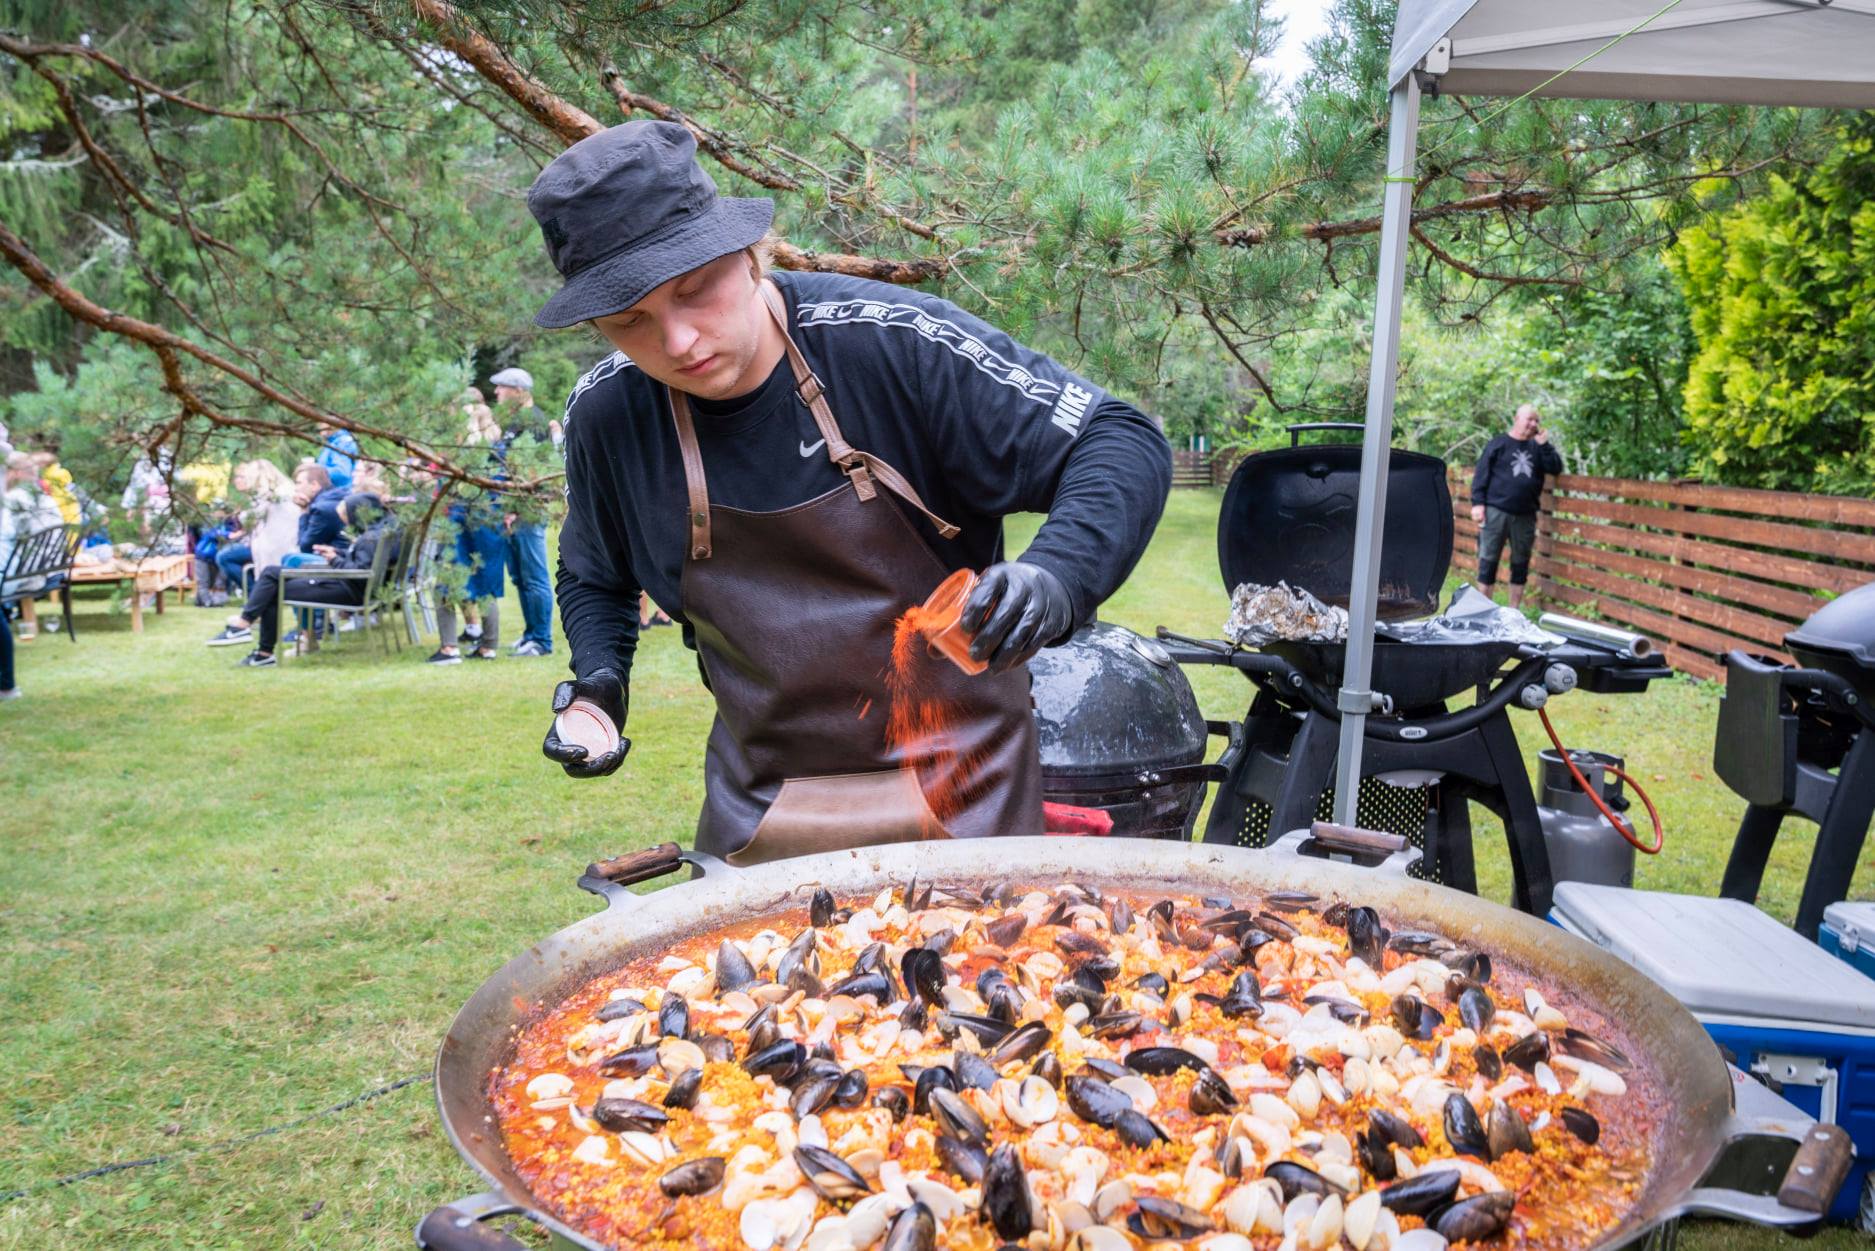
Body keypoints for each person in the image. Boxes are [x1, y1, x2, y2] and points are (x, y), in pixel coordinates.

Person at [529, 121, 1171, 864]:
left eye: (694, 290)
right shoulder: (608, 415)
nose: (678, 343)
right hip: (762, 807)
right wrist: (599, 684)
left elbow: (1117, 437)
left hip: (968, 798)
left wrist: (1058, 574)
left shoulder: (893, 343)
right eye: (629, 320)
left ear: (748, 256)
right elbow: (591, 569)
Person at [214, 492, 398, 667]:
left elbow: (359, 573)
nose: (346, 523)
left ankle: (252, 638)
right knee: (272, 576)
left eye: (346, 518)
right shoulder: (379, 532)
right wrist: (337, 553)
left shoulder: (370, 539)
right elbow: (362, 564)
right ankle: (253, 640)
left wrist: (334, 560)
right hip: (353, 588)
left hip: (349, 591)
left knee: (271, 581)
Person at [205, 464, 345, 646]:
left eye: (299, 483)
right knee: (275, 575)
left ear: (315, 485)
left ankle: (255, 631)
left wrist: (304, 512)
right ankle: (254, 630)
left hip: (331, 570)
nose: (296, 488)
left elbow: (306, 544)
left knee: (277, 574)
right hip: (331, 564)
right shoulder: (323, 502)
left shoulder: (318, 507)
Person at [430, 396, 507, 664]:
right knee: (485, 585)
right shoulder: (498, 450)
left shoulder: (469, 456)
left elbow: (453, 492)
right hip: (489, 526)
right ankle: (488, 645)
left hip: (463, 527)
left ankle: (449, 648)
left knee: (445, 584)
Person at [490, 366, 558, 658]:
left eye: (502, 387)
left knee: (534, 576)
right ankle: (530, 634)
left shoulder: (534, 423)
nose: (497, 392)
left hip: (526, 511)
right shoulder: (515, 422)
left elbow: (532, 471)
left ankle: (542, 640)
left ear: (518, 391)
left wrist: (516, 509)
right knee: (519, 576)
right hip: (511, 509)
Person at [1471, 403, 1564, 610]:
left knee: (1520, 564)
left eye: (1536, 420)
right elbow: (1481, 475)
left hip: (1526, 515)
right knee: (1488, 561)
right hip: (1496, 511)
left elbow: (1555, 468)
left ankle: (1514, 611)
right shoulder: (1498, 444)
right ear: (1516, 418)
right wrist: (1478, 504)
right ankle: (1482, 610)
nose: (1533, 424)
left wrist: (1545, 446)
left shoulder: (1538, 448)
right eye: (1529, 419)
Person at [214, 460, 302, 595]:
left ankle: (255, 595)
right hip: (276, 545)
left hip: (274, 547)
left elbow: (250, 519)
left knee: (225, 557)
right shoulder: (285, 490)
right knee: (226, 556)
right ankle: (255, 596)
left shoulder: (270, 494)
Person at [316, 421, 360, 489]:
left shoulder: (342, 442)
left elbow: (342, 473)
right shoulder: (332, 442)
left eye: (323, 428)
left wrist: (316, 472)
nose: (321, 433)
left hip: (339, 492)